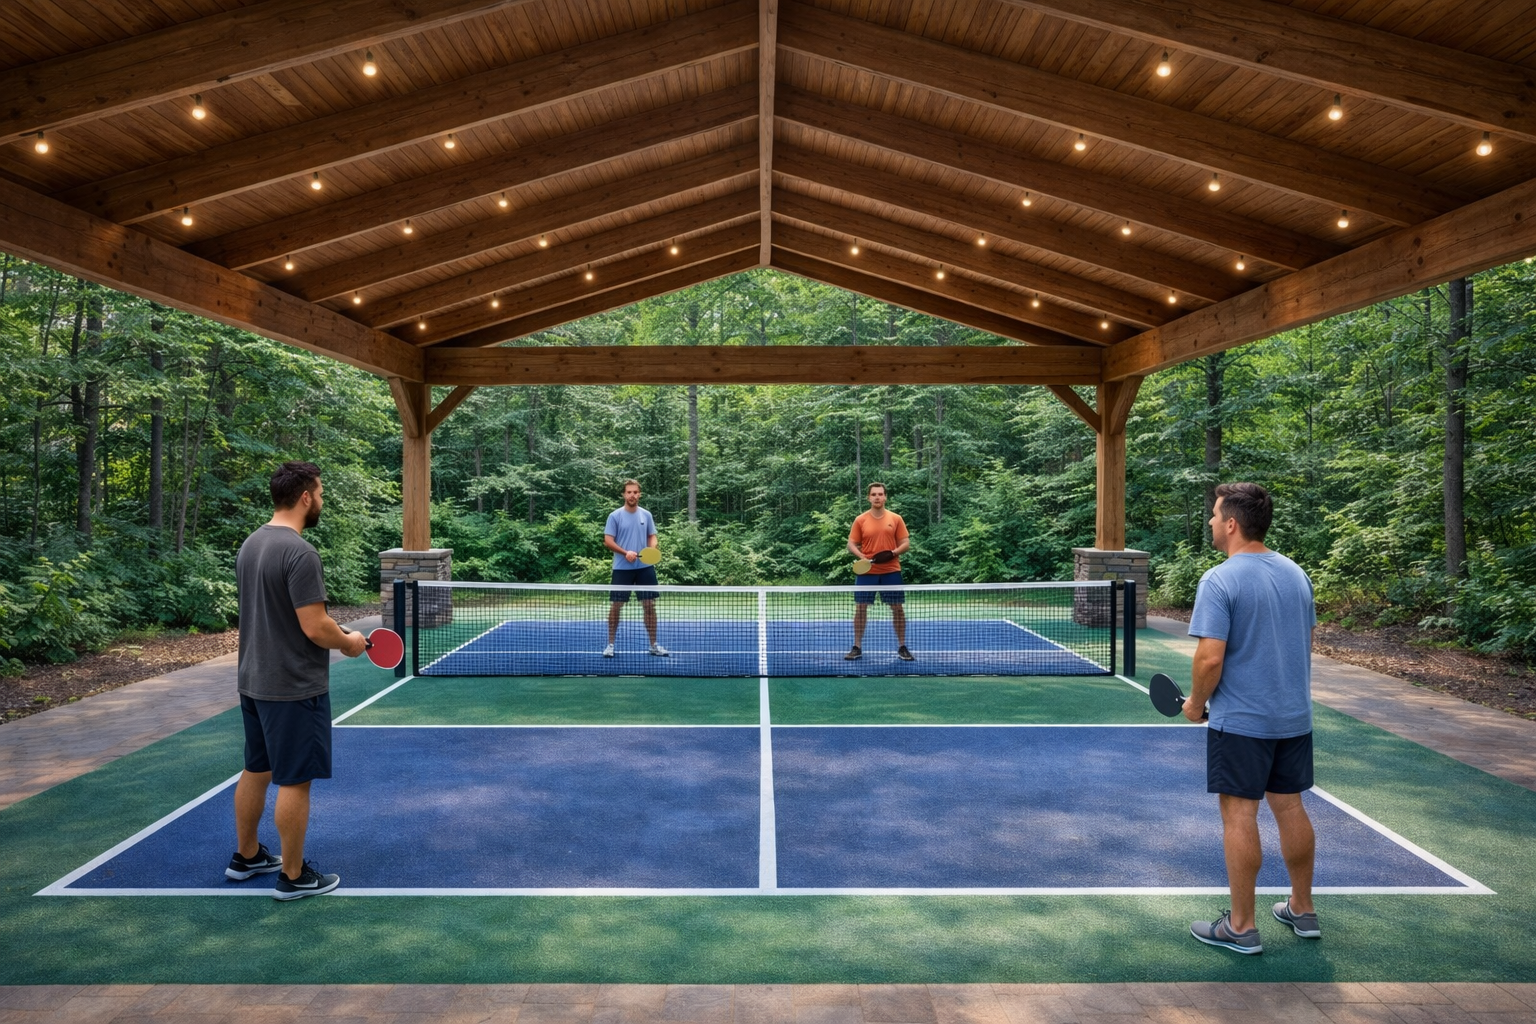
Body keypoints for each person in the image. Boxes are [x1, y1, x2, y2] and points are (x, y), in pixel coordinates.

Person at [1185, 482, 1319, 955]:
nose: (1210, 522)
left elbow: (1209, 661)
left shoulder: (1220, 579)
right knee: (1290, 807)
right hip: (1293, 718)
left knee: (1239, 815)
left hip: (1242, 722)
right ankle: (1302, 908)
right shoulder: (1297, 574)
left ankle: (1241, 927)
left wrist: (1196, 704)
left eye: (1214, 514)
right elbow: (1296, 642)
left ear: (1232, 524)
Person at [227, 461, 366, 900]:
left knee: (256, 768)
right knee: (294, 780)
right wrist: (349, 642)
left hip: (253, 680)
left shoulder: (252, 544)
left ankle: (247, 856)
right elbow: (314, 626)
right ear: (305, 497)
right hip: (292, 686)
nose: (322, 500)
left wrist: (334, 629)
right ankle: (293, 876)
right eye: (321, 492)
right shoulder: (300, 552)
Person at [845, 482, 913, 661]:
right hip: (867, 572)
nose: (877, 497)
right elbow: (851, 544)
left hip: (891, 570)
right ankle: (857, 646)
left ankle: (902, 646)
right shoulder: (860, 520)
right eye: (874, 494)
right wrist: (862, 557)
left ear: (885, 497)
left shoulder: (896, 518)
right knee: (860, 609)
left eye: (880, 494)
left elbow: (905, 543)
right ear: (868, 497)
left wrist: (893, 553)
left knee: (897, 609)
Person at [603, 479, 668, 657]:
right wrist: (625, 553)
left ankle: (653, 645)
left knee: (649, 606)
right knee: (617, 606)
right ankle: (610, 645)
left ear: (639, 494)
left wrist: (652, 548)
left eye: (635, 492)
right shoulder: (614, 516)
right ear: (624, 494)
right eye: (629, 492)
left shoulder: (646, 515)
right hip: (622, 568)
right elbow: (608, 541)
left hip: (644, 568)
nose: (632, 495)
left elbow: (652, 536)